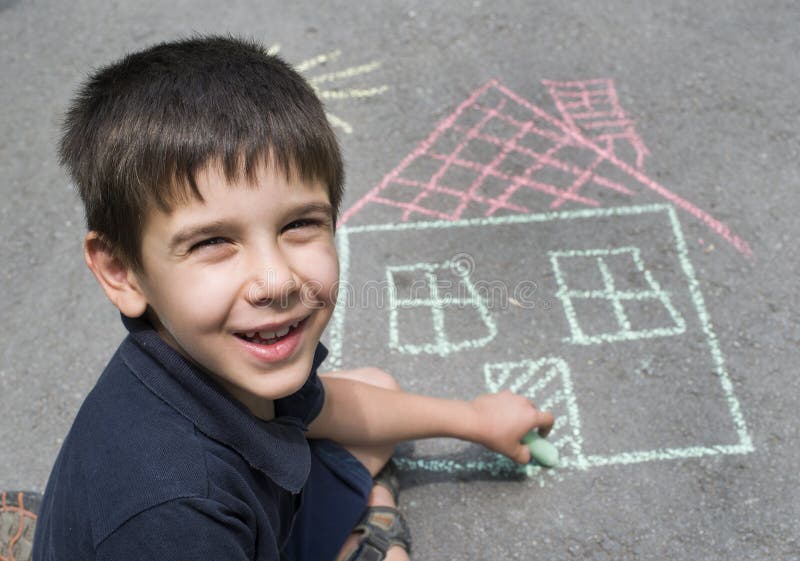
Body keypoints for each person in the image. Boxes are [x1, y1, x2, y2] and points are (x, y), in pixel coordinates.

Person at [32, 35, 554, 561]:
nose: (277, 281)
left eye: (300, 224)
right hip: (219, 533)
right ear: (122, 271)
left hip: (252, 520)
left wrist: (474, 419)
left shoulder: (215, 359)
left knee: (376, 389)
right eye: (213, 241)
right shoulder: (177, 516)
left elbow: (321, 405)